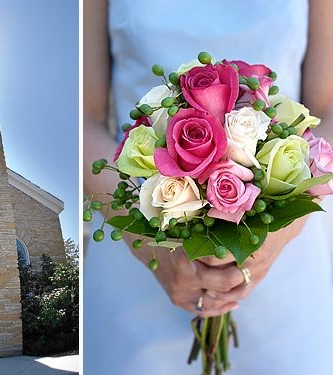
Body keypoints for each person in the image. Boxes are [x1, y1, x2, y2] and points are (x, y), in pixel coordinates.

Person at [83, 0, 333, 373]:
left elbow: (327, 109)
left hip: (286, 269)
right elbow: (83, 117)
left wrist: (280, 231)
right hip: (137, 243)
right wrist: (152, 245)